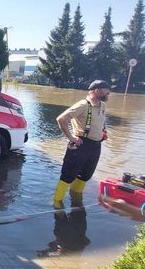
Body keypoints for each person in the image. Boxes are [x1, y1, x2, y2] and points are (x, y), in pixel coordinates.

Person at [52, 80, 110, 209]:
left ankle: (76, 198)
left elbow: (100, 122)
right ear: (96, 90)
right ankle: (57, 203)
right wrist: (71, 137)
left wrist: (102, 133)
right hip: (81, 144)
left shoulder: (103, 106)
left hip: (95, 146)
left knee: (86, 175)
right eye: (106, 91)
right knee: (68, 175)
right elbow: (61, 119)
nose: (109, 93)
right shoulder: (83, 105)